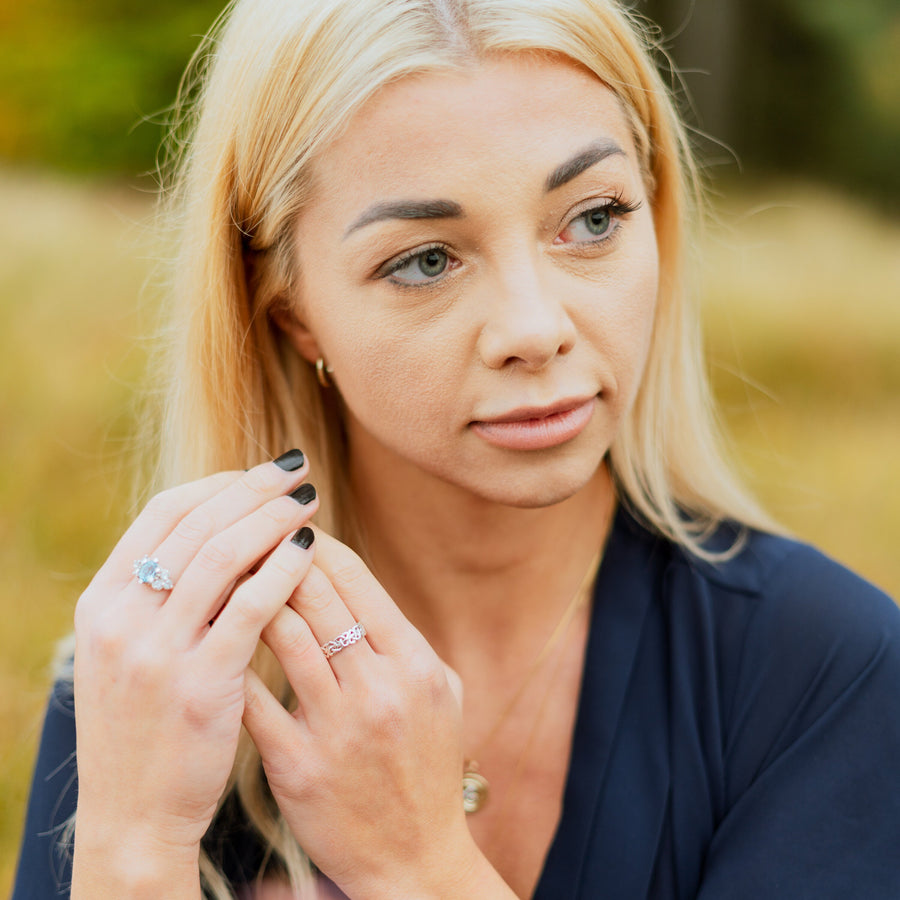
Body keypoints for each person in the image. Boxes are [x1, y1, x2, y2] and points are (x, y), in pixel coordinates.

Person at [12, 0, 900, 897]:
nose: (535, 327)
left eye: (593, 219)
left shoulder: (828, 672)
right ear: (292, 307)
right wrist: (133, 847)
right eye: (428, 260)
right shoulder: (146, 672)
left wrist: (417, 866)